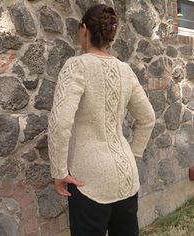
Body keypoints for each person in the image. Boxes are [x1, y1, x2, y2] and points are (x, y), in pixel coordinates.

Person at [48, 4, 156, 236]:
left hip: (88, 181)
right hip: (127, 177)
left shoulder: (76, 66)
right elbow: (147, 118)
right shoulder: (125, 70)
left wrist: (58, 171)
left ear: (84, 30)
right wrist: (133, 155)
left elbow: (60, 123)